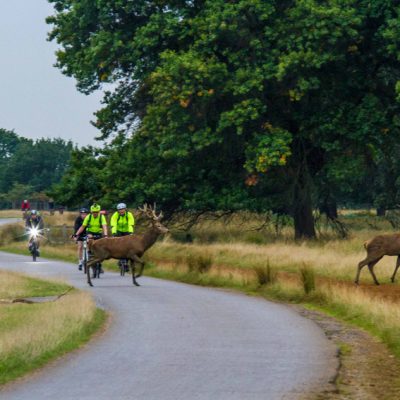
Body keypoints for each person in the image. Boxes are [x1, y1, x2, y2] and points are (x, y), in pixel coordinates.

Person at [74, 203, 108, 272]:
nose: (95, 213)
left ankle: (100, 265)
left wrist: (106, 235)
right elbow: (82, 227)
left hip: (98, 233)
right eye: (93, 212)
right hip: (90, 233)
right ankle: (89, 252)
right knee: (90, 239)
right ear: (91, 212)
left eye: (96, 212)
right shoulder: (88, 217)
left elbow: (104, 226)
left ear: (98, 212)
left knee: (101, 249)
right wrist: (76, 234)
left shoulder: (101, 217)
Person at [110, 203, 135, 272]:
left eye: (122, 209)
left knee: (128, 247)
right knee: (118, 247)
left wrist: (131, 233)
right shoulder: (115, 215)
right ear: (118, 210)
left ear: (125, 209)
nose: (121, 211)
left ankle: (126, 262)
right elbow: (113, 224)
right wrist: (114, 233)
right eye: (120, 210)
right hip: (118, 231)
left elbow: (131, 224)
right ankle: (120, 260)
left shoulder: (129, 215)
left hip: (127, 231)